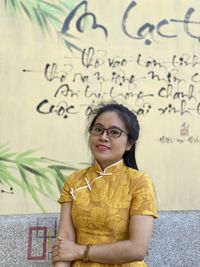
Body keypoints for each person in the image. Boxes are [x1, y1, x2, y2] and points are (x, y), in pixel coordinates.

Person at [52, 102, 158, 267]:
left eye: (114, 132)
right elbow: (64, 245)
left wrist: (80, 251)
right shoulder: (75, 180)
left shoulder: (139, 182)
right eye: (98, 129)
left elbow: (137, 249)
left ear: (129, 143)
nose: (103, 136)